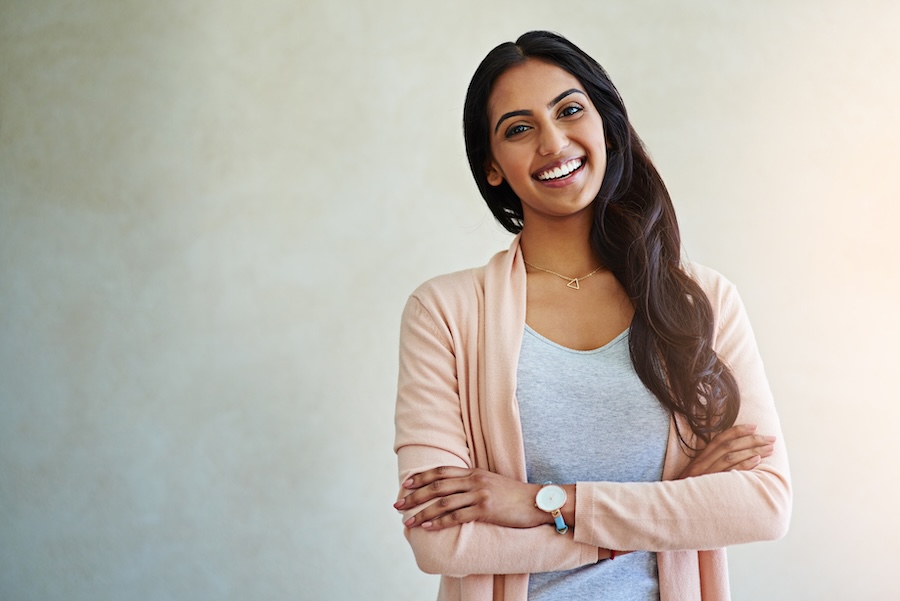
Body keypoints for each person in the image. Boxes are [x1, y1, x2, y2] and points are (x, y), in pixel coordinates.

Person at [393, 30, 790, 601]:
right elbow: (444, 544)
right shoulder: (445, 312)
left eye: (570, 110)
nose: (553, 142)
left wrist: (540, 504)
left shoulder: (700, 300)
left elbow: (763, 505)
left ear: (605, 126)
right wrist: (670, 508)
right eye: (519, 128)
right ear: (492, 168)